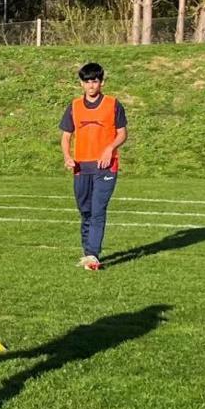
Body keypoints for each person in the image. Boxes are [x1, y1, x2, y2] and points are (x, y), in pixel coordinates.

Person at [60, 62, 127, 271]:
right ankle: (87, 252)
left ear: (102, 82)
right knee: (85, 210)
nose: (91, 86)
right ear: (81, 84)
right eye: (87, 82)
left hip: (105, 166)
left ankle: (92, 255)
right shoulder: (74, 106)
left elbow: (122, 133)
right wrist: (67, 156)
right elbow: (65, 136)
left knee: (98, 209)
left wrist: (109, 149)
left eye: (95, 81)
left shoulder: (113, 104)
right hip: (81, 166)